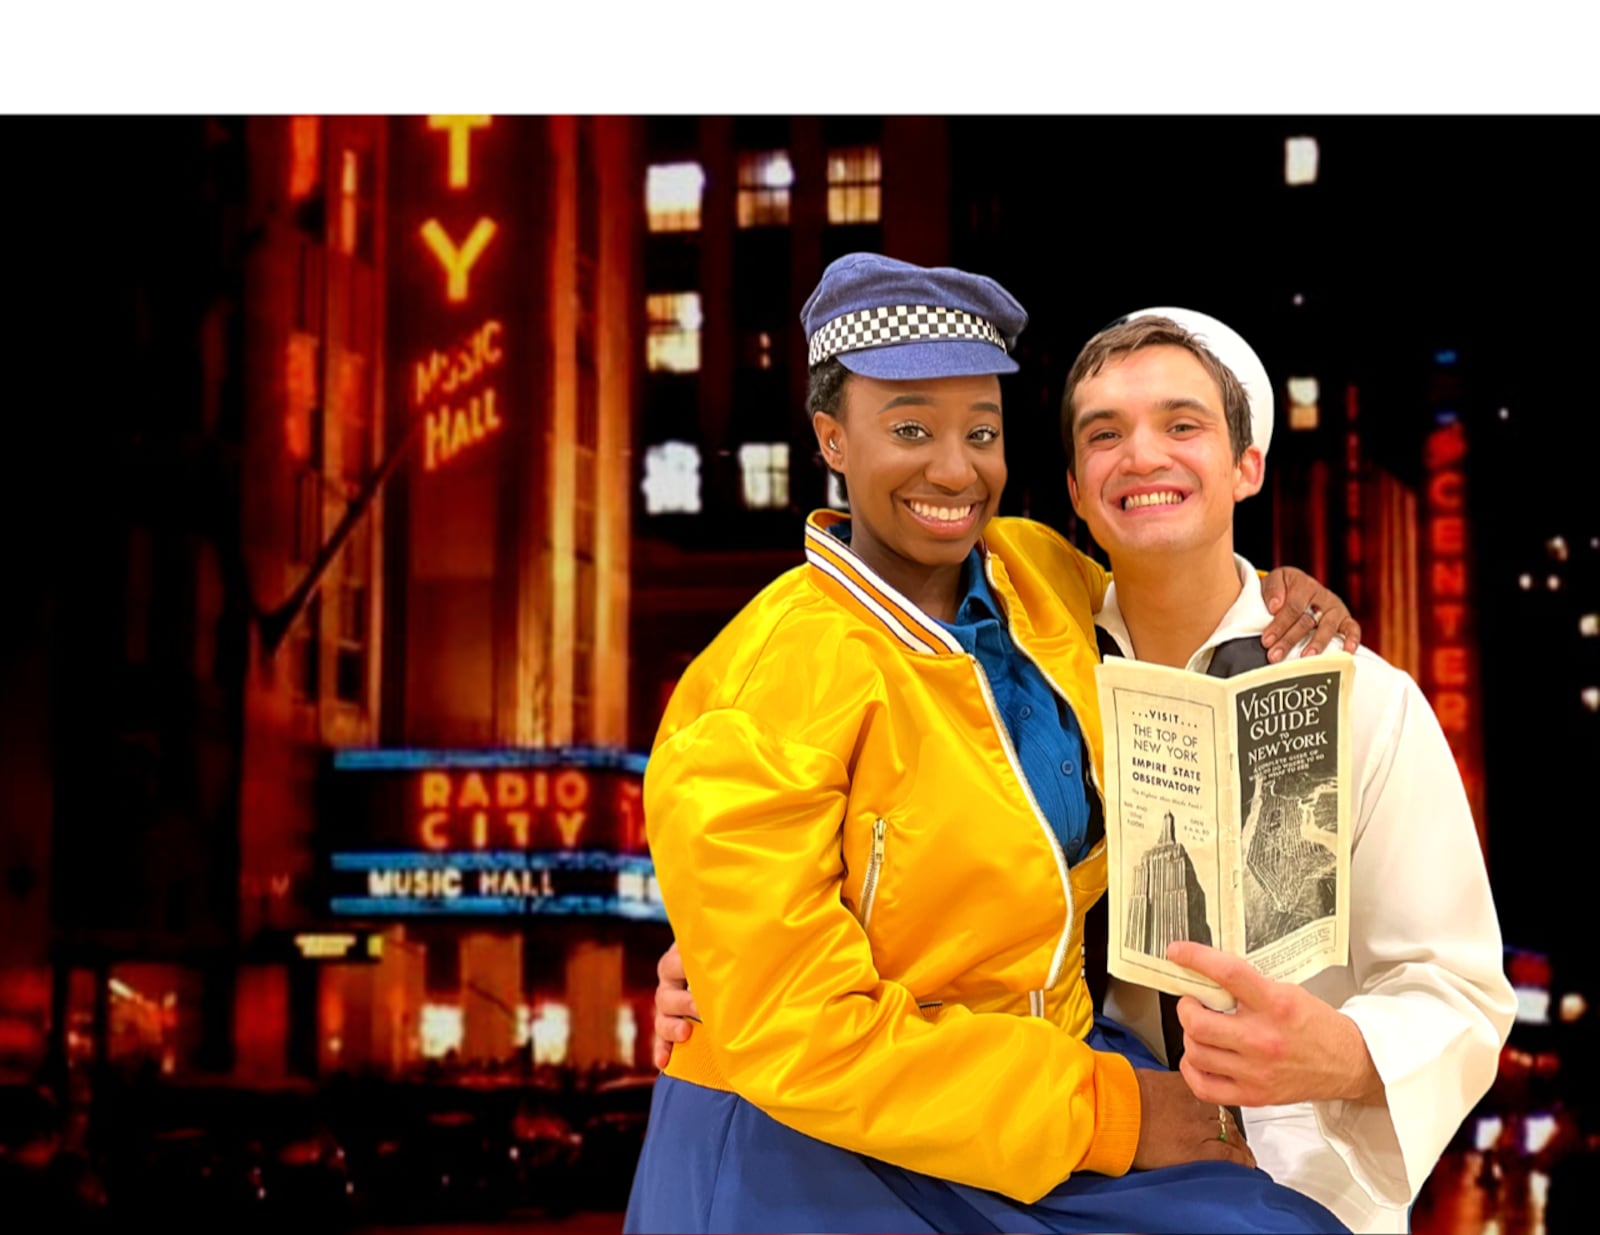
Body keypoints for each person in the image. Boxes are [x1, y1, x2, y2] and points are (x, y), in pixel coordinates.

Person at [626, 253, 1357, 1234]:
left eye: (981, 430)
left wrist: (1275, 590)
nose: (954, 469)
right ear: (832, 437)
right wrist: (1117, 1108)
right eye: (912, 428)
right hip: (818, 1135)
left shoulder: (1035, 573)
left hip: (1030, 1091)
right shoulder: (760, 686)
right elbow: (799, 1031)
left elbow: (1166, 583)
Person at [1062, 306, 1514, 1231]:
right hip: (1061, 1163)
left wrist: (1342, 1052)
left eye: (1182, 425)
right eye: (1105, 434)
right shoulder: (1020, 681)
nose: (1142, 454)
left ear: (1247, 465)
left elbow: (1458, 984)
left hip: (1290, 1181)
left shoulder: (1365, 701)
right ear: (1074, 488)